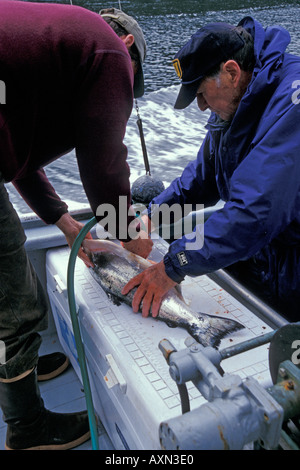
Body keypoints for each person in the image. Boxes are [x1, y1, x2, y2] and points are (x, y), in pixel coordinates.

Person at [0, 1, 147, 450]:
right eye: (129, 87)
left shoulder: (53, 52)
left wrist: (65, 224)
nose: (123, 95)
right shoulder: (108, 52)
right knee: (15, 303)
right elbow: (104, 168)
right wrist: (129, 236)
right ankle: (28, 429)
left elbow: (20, 159)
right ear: (127, 47)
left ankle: (19, 367)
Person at [122, 17, 300, 322]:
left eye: (202, 93)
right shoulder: (237, 99)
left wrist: (173, 265)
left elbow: (253, 213)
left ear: (231, 71)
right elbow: (201, 180)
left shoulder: (292, 102)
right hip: (265, 253)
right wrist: (151, 217)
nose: (201, 106)